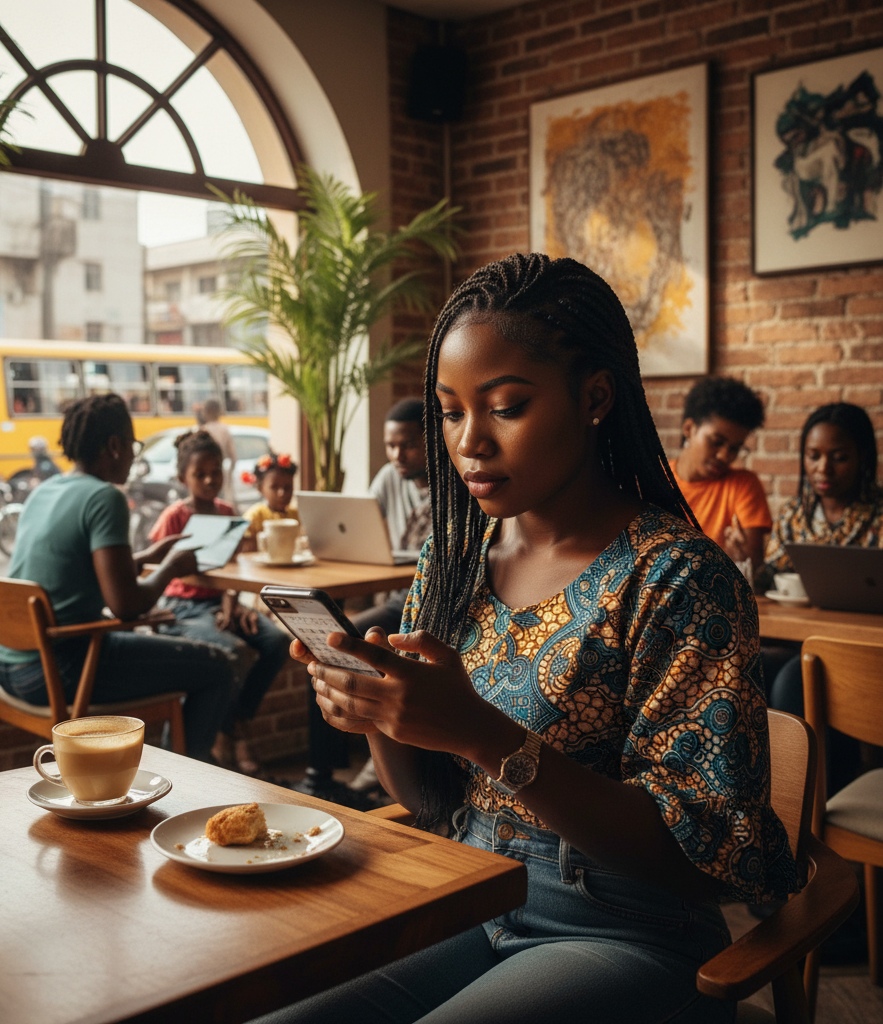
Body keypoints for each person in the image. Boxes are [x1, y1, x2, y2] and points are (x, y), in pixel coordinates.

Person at [253, 254, 797, 1024]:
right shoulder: (455, 558)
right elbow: (431, 803)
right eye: (449, 410)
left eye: (505, 406)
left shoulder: (676, 578)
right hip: (471, 889)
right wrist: (380, 711)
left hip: (626, 929)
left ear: (595, 397)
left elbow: (701, 861)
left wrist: (480, 731)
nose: (470, 441)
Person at [0, 394, 236, 763]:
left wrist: (141, 559)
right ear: (115, 446)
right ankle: (187, 775)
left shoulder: (45, 490)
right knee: (220, 665)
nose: (135, 456)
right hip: (60, 667)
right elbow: (126, 606)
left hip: (7, 666)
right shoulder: (105, 497)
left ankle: (181, 762)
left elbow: (75, 569)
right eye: (134, 445)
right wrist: (170, 566)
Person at [149, 429, 290, 774]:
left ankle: (234, 721)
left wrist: (231, 607)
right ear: (183, 477)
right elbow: (155, 569)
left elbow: (230, 571)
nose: (210, 479)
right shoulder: (174, 517)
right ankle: (234, 735)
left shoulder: (228, 512)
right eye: (201, 474)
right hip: (182, 608)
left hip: (221, 603)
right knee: (232, 652)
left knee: (277, 642)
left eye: (216, 471)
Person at [760, 403, 880, 794]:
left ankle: (814, 801)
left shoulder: (878, 515)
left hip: (859, 648)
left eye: (839, 457)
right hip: (795, 638)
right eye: (813, 457)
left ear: (863, 457)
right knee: (754, 667)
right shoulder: (795, 513)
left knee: (794, 680)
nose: (823, 469)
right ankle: (766, 795)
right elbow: (774, 575)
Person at [670, 376, 772, 578]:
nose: (725, 456)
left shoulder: (743, 485)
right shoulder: (652, 481)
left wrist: (741, 562)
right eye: (716, 442)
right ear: (689, 429)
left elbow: (753, 570)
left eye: (735, 448)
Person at [351, 397, 432, 635]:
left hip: (426, 600)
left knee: (346, 637)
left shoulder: (458, 485)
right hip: (398, 596)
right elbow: (360, 524)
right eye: (391, 446)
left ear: (433, 439)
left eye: (408, 445)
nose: (398, 455)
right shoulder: (390, 476)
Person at [240, 452, 301, 553]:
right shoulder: (255, 515)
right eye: (274, 487)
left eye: (287, 487)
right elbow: (243, 545)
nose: (281, 493)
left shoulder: (296, 515)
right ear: (260, 488)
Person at [196, 398, 237, 507]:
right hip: (221, 469)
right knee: (225, 501)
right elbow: (232, 455)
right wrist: (229, 472)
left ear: (207, 412)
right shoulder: (224, 429)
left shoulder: (203, 430)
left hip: (206, 470)